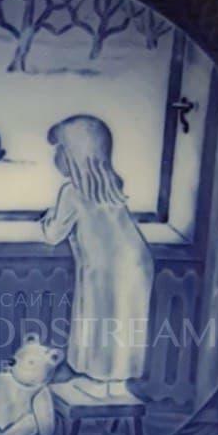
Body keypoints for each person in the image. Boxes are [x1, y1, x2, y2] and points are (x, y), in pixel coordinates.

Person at [41, 115, 154, 400]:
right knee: (123, 322)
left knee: (99, 319)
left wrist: (46, 218)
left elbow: (53, 234)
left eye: (61, 150)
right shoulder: (110, 186)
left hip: (106, 268)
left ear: (74, 155)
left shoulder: (72, 192)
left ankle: (98, 382)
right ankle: (116, 384)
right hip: (135, 263)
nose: (56, 157)